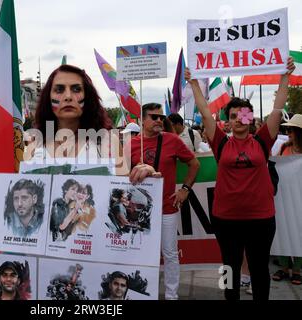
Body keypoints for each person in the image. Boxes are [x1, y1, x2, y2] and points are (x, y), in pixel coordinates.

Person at [184, 57, 295, 300]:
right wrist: (193, 84)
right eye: (233, 115)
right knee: (229, 267)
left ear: (250, 118)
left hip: (261, 219)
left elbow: (277, 108)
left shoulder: (263, 141)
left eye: (243, 115)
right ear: (228, 119)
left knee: (258, 269)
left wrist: (284, 77)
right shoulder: (220, 142)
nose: (238, 119)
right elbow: (204, 110)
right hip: (226, 219)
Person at [127, 102, 199, 300]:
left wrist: (185, 189)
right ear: (142, 120)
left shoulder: (172, 140)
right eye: (154, 116)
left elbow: (194, 164)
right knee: (139, 253)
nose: (159, 120)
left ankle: (171, 295)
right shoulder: (130, 144)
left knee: (170, 253)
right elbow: (120, 176)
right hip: (140, 211)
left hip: (167, 207)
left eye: (161, 117)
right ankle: (140, 293)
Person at [23, 64, 127, 175]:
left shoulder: (109, 143)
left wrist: (144, 176)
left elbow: (125, 190)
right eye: (59, 90)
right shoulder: (34, 145)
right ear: (48, 98)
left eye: (76, 89)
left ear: (88, 96)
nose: (68, 96)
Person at [272, 114, 302, 286]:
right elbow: (275, 167)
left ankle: (297, 270)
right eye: (288, 129)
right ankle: (284, 267)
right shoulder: (283, 147)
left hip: (299, 197)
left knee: (299, 231)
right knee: (283, 230)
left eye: (291, 129)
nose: (288, 132)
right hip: (283, 196)